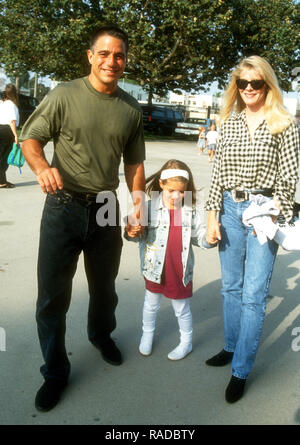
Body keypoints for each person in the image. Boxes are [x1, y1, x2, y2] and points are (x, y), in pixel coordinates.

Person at [20, 25, 146, 412]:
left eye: (119, 55)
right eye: (105, 53)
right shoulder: (64, 94)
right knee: (52, 297)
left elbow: (135, 162)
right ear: (90, 56)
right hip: (63, 203)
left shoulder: (130, 108)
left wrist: (138, 206)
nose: (112, 61)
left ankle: (101, 335)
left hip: (107, 204)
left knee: (105, 287)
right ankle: (55, 371)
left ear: (125, 60)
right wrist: (42, 166)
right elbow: (31, 138)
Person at [205, 55, 300, 403]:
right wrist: (212, 214)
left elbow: (290, 173)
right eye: (241, 83)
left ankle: (241, 370)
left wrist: (279, 209)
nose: (248, 89)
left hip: (263, 211)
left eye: (256, 83)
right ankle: (231, 347)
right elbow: (218, 173)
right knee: (231, 287)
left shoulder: (283, 123)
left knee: (254, 294)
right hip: (229, 207)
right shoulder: (228, 122)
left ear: (267, 85)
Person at [125, 159, 215, 361]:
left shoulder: (190, 212)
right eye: (171, 190)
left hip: (179, 270)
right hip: (154, 268)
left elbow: (199, 237)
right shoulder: (147, 208)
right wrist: (131, 231)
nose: (176, 196)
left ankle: (186, 342)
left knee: (181, 308)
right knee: (150, 304)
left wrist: (209, 239)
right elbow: (135, 235)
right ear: (161, 184)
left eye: (182, 191)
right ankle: (147, 335)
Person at [0, 84, 19, 188]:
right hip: (7, 131)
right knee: (4, 157)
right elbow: (12, 121)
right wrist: (15, 135)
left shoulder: (1, 103)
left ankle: (2, 180)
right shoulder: (11, 104)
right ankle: (2, 182)